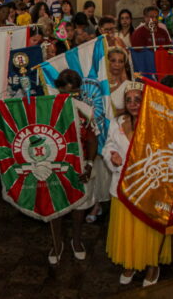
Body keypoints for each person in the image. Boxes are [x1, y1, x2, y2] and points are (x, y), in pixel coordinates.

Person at [104, 81, 170, 287]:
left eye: (138, 99)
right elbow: (108, 146)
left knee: (147, 229)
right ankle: (130, 264)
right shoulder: (116, 123)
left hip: (149, 189)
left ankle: (152, 265)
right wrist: (111, 155)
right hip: (123, 188)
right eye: (129, 100)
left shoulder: (157, 122)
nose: (133, 104)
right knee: (128, 230)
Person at [49, 70, 98, 264]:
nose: (72, 96)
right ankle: (56, 243)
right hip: (56, 166)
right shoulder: (48, 108)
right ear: (59, 88)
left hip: (80, 165)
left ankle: (76, 241)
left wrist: (89, 164)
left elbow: (93, 138)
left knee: (80, 207)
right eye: (68, 91)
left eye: (76, 92)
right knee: (56, 208)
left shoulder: (84, 108)